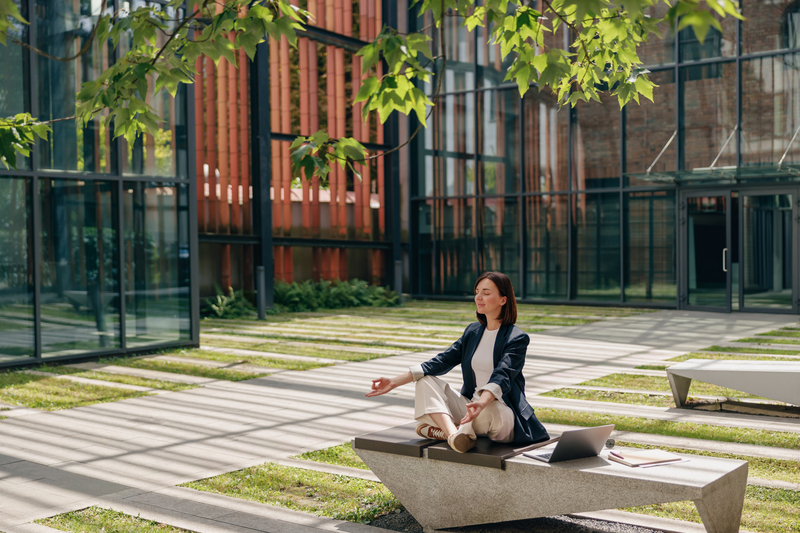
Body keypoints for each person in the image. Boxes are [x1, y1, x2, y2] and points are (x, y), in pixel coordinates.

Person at [366, 271, 549, 453]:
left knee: (491, 408)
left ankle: (444, 431)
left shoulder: (516, 338)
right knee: (425, 381)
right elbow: (443, 360)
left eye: (486, 293)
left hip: (500, 412)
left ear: (503, 299)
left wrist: (482, 402)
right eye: (477, 291)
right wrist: (394, 381)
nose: (479, 297)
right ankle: (454, 436)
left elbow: (503, 375)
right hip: (471, 407)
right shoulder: (473, 331)